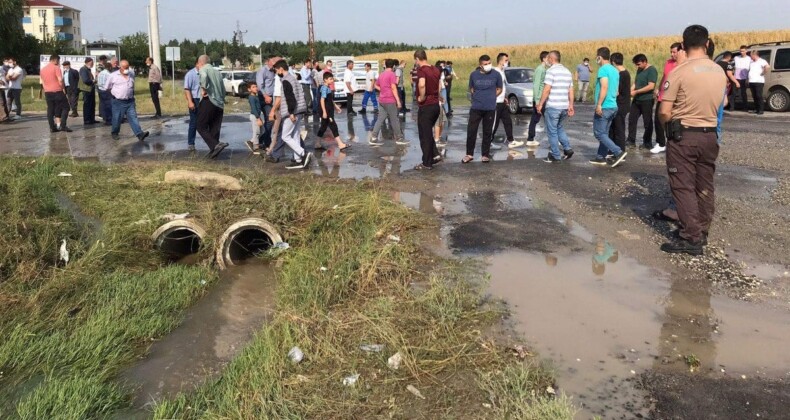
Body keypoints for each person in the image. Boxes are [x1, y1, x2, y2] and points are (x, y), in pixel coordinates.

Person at [657, 24, 726, 255]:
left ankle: (691, 237)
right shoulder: (719, 71)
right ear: (707, 43)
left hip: (684, 134)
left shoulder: (680, 72)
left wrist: (669, 125)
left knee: (683, 186)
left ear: (683, 45)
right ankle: (702, 230)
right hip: (709, 135)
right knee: (704, 184)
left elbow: (665, 111)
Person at [589, 47, 627, 167]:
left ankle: (618, 152)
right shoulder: (615, 70)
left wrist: (599, 104)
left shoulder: (603, 69)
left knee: (599, 133)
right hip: (613, 106)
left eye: (597, 57)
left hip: (605, 106)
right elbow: (616, 91)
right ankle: (600, 157)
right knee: (604, 132)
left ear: (599, 57)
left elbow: (604, 87)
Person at [272, 60, 313, 170]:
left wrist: (291, 113)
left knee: (285, 136)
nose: (276, 72)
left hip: (293, 112)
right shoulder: (293, 78)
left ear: (281, 69)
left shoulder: (286, 80)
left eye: (276, 70)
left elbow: (290, 98)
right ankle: (298, 159)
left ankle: (303, 153)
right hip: (299, 110)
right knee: (295, 135)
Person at [462, 55, 502, 164]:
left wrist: (491, 96)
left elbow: (499, 89)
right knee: (471, 131)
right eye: (485, 64)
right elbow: (471, 88)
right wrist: (478, 97)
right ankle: (469, 154)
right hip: (476, 107)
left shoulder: (496, 74)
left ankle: (485, 154)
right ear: (480, 65)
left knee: (487, 132)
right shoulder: (474, 75)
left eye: (489, 63)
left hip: (490, 108)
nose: (488, 65)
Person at [536, 51, 574, 163]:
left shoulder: (551, 71)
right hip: (564, 106)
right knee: (559, 128)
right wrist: (571, 105)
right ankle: (567, 148)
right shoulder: (567, 71)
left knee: (552, 131)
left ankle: (555, 155)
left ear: (552, 59)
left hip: (553, 106)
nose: (547, 60)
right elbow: (571, 90)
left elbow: (547, 89)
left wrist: (541, 103)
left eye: (548, 58)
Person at [104, 60, 150, 142]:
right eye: (125, 68)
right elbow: (107, 87)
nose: (127, 69)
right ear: (120, 67)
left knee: (133, 117)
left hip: (130, 101)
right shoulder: (113, 76)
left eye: (127, 67)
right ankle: (115, 133)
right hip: (118, 102)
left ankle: (139, 134)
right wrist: (115, 94)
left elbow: (132, 86)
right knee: (117, 118)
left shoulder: (131, 74)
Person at [195, 54, 228, 159]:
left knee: (200, 126)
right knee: (214, 128)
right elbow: (223, 88)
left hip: (209, 100)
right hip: (219, 103)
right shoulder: (217, 72)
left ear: (201, 63)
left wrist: (203, 88)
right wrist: (222, 99)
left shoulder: (203, 69)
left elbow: (203, 76)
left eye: (198, 65)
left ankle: (216, 145)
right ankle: (214, 152)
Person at [414, 49, 442, 170]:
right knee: (428, 133)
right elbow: (439, 85)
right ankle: (435, 155)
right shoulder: (435, 69)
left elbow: (421, 84)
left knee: (424, 135)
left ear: (417, 59)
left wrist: (422, 97)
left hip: (427, 105)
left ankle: (426, 163)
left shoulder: (421, 70)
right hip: (436, 104)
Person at [652, 43, 682, 154]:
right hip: (663, 95)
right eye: (671, 52)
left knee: (674, 120)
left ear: (680, 52)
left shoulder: (683, 64)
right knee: (658, 119)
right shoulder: (668, 62)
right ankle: (660, 143)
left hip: (675, 97)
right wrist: (658, 89)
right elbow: (664, 77)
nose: (672, 54)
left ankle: (674, 142)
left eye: (674, 52)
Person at [370, 59, 404, 146]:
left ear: (385, 65)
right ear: (393, 66)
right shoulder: (392, 74)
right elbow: (393, 88)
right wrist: (398, 101)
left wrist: (383, 90)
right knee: (394, 119)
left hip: (382, 100)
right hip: (390, 100)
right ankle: (399, 137)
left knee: (380, 119)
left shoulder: (381, 74)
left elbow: (376, 85)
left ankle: (373, 137)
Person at [627, 54, 658, 148]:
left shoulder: (652, 70)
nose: (637, 66)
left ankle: (647, 142)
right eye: (636, 64)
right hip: (637, 100)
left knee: (647, 121)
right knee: (632, 119)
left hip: (647, 99)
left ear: (645, 62)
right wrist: (630, 91)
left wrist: (636, 91)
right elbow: (636, 83)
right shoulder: (639, 70)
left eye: (639, 64)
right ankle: (631, 140)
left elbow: (651, 86)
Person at [491, 53, 521, 149]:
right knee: (494, 124)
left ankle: (511, 140)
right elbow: (493, 87)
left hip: (502, 102)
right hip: (495, 103)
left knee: (507, 121)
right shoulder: (495, 72)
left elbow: (502, 87)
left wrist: (504, 97)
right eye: (506, 60)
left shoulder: (502, 71)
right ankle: (488, 142)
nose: (507, 62)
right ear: (500, 61)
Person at [316, 72, 351, 151]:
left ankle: (317, 143)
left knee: (323, 127)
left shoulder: (326, 87)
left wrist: (336, 107)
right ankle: (340, 144)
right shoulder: (324, 88)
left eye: (332, 79)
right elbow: (322, 100)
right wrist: (324, 112)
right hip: (327, 112)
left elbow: (330, 100)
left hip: (328, 111)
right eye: (330, 79)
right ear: (325, 80)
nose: (332, 80)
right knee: (333, 126)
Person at [41, 55, 71, 132]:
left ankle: (52, 127)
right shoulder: (56, 68)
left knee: (50, 109)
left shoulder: (43, 69)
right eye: (58, 60)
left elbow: (43, 82)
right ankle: (63, 125)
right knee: (66, 107)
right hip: (57, 91)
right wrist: (62, 88)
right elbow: (60, 80)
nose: (59, 62)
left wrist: (46, 89)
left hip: (48, 92)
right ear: (55, 60)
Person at [527, 51, 549, 147]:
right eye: (548, 58)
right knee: (537, 119)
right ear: (544, 59)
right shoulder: (540, 69)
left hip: (542, 99)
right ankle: (530, 138)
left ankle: (531, 138)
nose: (550, 60)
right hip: (540, 99)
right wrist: (537, 101)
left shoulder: (544, 69)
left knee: (539, 119)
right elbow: (536, 85)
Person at [609, 52, 630, 152]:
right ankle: (613, 150)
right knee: (613, 128)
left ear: (613, 63)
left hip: (620, 105)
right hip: (623, 104)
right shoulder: (625, 72)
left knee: (619, 129)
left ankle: (620, 151)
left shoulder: (621, 75)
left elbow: (616, 91)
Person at [256, 56, 277, 151]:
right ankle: (264, 141)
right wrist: (265, 96)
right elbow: (260, 85)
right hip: (265, 98)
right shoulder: (263, 71)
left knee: (273, 120)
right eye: (273, 62)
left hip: (273, 98)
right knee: (270, 119)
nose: (275, 64)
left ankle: (264, 140)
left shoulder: (274, 71)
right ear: (268, 61)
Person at [183, 59, 200, 151]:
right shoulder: (190, 74)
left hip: (204, 99)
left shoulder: (205, 73)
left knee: (206, 122)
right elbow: (187, 89)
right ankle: (191, 143)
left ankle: (212, 143)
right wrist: (190, 101)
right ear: (197, 63)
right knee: (194, 122)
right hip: (195, 99)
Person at [748, 50, 770, 115]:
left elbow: (767, 67)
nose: (750, 57)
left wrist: (763, 73)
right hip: (751, 81)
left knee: (758, 95)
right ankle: (756, 109)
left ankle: (761, 110)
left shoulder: (762, 61)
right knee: (754, 96)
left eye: (751, 55)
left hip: (759, 81)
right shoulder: (751, 62)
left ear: (755, 55)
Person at [245, 82, 264, 153]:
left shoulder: (256, 96)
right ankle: (256, 147)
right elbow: (253, 108)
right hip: (255, 116)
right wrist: (258, 118)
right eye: (253, 87)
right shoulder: (251, 97)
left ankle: (252, 141)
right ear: (249, 89)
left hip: (257, 116)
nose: (255, 88)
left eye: (256, 86)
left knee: (262, 130)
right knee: (257, 131)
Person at [79, 57, 98, 124]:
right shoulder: (83, 69)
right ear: (88, 62)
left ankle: (92, 119)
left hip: (90, 89)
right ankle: (87, 120)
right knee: (87, 105)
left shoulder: (88, 69)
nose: (93, 64)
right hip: (86, 89)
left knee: (92, 104)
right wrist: (93, 81)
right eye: (92, 62)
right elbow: (85, 80)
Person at [733, 45, 751, 111]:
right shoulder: (736, 58)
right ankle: (732, 107)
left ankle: (745, 107)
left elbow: (750, 69)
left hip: (744, 78)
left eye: (743, 51)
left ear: (746, 51)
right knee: (734, 93)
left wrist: (748, 78)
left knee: (743, 93)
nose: (741, 52)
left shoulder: (749, 59)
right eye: (740, 51)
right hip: (736, 78)